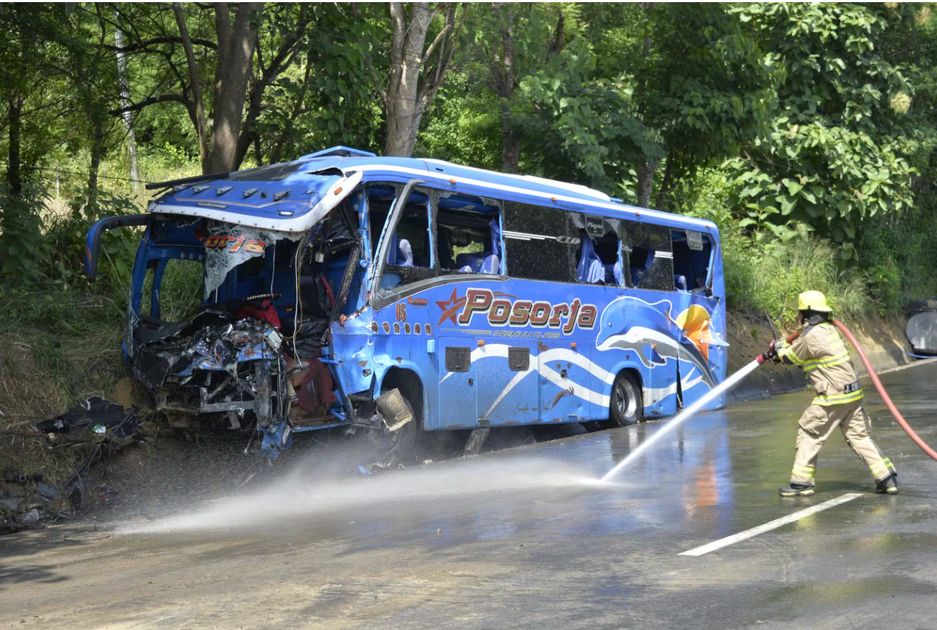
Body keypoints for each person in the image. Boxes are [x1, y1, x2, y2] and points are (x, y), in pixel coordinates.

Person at [767, 290, 898, 496]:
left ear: (807, 314)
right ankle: (886, 478)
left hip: (833, 396)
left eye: (801, 313)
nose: (799, 316)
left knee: (810, 432)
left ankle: (801, 483)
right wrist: (783, 348)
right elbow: (810, 357)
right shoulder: (829, 330)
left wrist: (779, 349)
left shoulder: (811, 336)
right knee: (859, 436)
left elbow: (791, 357)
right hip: (852, 394)